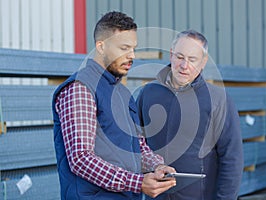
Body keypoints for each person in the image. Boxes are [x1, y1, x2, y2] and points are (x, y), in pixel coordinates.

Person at [52, 11, 176, 200]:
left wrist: (157, 166)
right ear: (101, 47)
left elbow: (138, 147)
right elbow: (81, 159)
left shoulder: (123, 93)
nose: (132, 55)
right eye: (124, 48)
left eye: (133, 48)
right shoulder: (80, 89)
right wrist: (138, 183)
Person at [136, 30, 244, 199]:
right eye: (179, 57)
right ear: (171, 55)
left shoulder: (217, 99)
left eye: (192, 59)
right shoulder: (148, 93)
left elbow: (232, 158)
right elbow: (134, 144)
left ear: (203, 62)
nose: (184, 65)